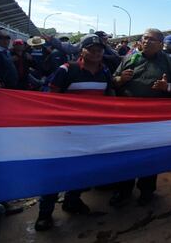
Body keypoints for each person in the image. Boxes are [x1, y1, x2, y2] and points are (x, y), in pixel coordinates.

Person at [35, 34, 114, 231]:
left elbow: (110, 99)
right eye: (91, 49)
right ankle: (45, 213)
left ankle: (72, 200)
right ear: (82, 51)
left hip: (90, 133)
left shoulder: (104, 71)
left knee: (82, 169)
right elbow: (49, 96)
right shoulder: (66, 70)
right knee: (55, 172)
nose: (96, 53)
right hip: (64, 132)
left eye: (99, 50)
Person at [109, 29, 171, 207]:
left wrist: (167, 87)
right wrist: (120, 79)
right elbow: (112, 81)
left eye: (151, 39)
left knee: (149, 156)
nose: (146, 41)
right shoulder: (130, 59)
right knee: (126, 156)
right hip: (128, 119)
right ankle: (123, 190)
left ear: (161, 44)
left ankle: (146, 190)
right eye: (144, 38)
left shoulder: (169, 62)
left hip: (154, 121)